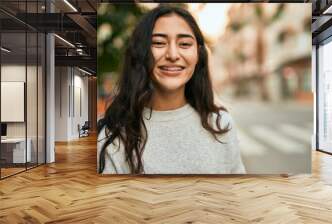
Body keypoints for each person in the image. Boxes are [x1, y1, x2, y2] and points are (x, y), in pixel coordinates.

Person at [97, 5, 246, 174]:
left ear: (198, 54)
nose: (173, 55)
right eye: (159, 43)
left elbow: (237, 195)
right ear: (142, 52)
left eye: (184, 44)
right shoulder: (112, 135)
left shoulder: (221, 124)